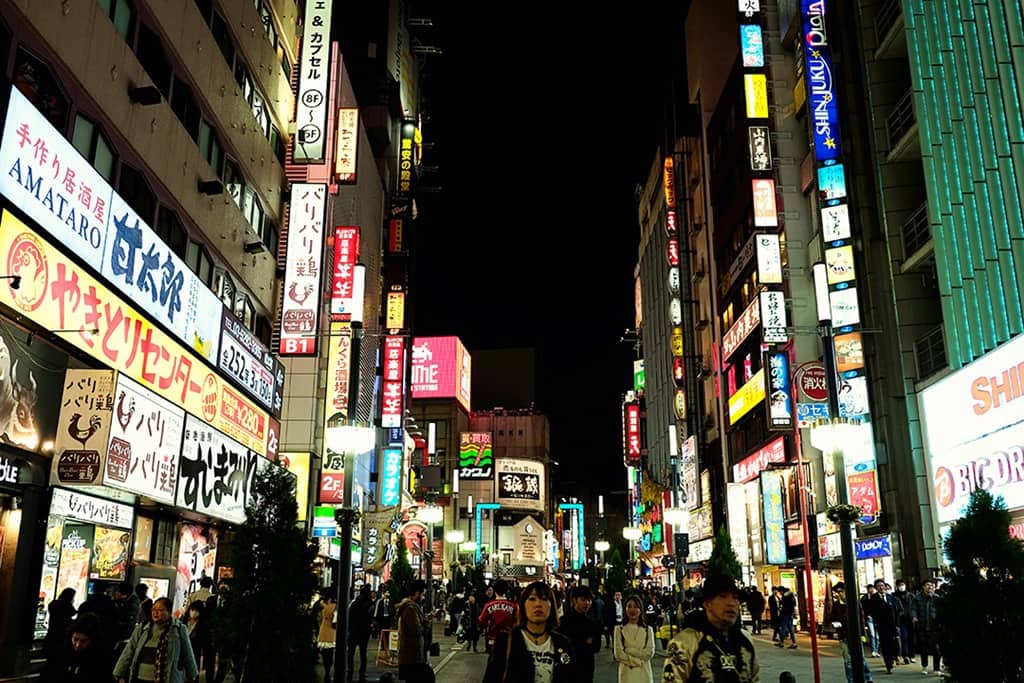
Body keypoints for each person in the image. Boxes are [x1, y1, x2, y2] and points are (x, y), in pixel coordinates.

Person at [662, 575, 759, 682]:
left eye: (735, 598)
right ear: (707, 604)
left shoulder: (745, 639)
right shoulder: (684, 643)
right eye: (723, 596)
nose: (731, 603)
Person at [482, 580, 576, 683]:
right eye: (532, 599)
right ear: (523, 605)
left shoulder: (563, 643)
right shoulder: (506, 642)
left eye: (544, 599)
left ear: (552, 606)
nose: (538, 604)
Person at [113, 596, 198, 683]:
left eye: (160, 610)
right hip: (140, 678)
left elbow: (188, 654)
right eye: (153, 609)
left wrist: (192, 675)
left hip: (167, 678)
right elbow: (129, 650)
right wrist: (119, 672)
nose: (155, 613)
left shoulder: (178, 629)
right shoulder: (142, 628)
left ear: (168, 612)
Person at [41, 612, 110, 682]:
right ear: (71, 636)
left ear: (92, 641)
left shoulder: (99, 661)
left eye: (83, 641)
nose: (78, 645)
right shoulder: (59, 654)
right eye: (75, 639)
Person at [829, 582, 873, 683]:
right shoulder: (836, 605)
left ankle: (868, 677)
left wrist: (862, 634)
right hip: (843, 636)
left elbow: (861, 618)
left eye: (842, 591)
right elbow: (832, 619)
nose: (840, 593)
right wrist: (837, 628)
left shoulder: (854, 602)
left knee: (860, 658)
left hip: (855, 635)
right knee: (848, 661)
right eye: (838, 592)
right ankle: (851, 680)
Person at [558, 585, 602, 681]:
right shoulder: (564, 622)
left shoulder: (593, 623)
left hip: (587, 669)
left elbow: (596, 646)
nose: (587, 603)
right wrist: (585, 643)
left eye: (589, 600)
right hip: (568, 670)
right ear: (574, 600)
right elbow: (561, 646)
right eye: (583, 600)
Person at [397, 579, 434, 683]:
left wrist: (426, 619)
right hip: (412, 656)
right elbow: (417, 630)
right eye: (423, 595)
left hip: (413, 655)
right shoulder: (410, 608)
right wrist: (426, 623)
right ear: (417, 593)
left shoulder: (413, 607)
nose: (423, 598)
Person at [613, 594, 654, 683]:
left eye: (635, 607)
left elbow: (649, 653)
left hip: (644, 674)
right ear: (625, 609)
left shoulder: (648, 630)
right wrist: (637, 662)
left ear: (640, 610)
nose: (632, 610)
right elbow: (618, 654)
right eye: (629, 606)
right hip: (626, 674)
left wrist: (629, 650)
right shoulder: (619, 629)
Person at [865, 579, 902, 674]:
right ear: (876, 588)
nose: (881, 587)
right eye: (878, 586)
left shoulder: (892, 598)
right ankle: (888, 665)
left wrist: (897, 624)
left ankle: (895, 656)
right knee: (885, 646)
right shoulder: (873, 599)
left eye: (882, 585)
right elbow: (870, 611)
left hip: (893, 625)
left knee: (895, 644)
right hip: (882, 626)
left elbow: (898, 611)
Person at [479, 579, 518, 654]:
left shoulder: (489, 605)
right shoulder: (513, 605)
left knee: (493, 662)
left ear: (494, 590)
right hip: (509, 639)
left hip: (493, 639)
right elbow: (518, 621)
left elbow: (481, 620)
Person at [911, 578, 941, 675]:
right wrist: (914, 616)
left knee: (936, 649)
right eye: (928, 585)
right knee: (924, 648)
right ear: (923, 587)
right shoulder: (917, 598)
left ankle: (937, 668)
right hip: (922, 627)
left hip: (934, 628)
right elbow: (913, 609)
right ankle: (924, 666)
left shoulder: (937, 598)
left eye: (932, 585)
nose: (930, 587)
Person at [348, 584, 373, 682]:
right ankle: (362, 673)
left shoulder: (355, 602)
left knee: (351, 652)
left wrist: (350, 629)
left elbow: (350, 616)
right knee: (363, 653)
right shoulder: (369, 603)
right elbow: (370, 617)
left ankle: (350, 671)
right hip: (364, 631)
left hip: (354, 630)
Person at [44, 587, 77, 659]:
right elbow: (73, 613)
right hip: (62, 637)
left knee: (51, 659)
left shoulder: (53, 603)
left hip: (51, 634)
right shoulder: (66, 605)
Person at [184, 600, 210, 678]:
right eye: (192, 610)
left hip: (194, 655)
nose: (194, 612)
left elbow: (204, 644)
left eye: (196, 611)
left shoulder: (202, 626)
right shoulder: (183, 622)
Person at [316, 592, 338, 682]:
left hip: (323, 630)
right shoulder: (335, 606)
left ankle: (326, 671)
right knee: (330, 653)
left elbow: (318, 619)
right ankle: (328, 671)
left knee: (325, 654)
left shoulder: (321, 606)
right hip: (332, 632)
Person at [892, 580, 914, 665]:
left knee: (911, 637)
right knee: (904, 637)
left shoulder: (910, 595)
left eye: (903, 584)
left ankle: (912, 655)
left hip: (911, 619)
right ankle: (906, 655)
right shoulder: (894, 596)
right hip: (901, 620)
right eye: (900, 585)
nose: (902, 586)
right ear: (897, 586)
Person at [861, 584, 880, 657]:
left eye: (872, 588)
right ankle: (874, 650)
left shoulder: (877, 597)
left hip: (877, 618)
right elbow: (863, 607)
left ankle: (877, 650)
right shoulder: (865, 597)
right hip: (869, 618)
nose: (870, 590)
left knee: (877, 636)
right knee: (872, 635)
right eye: (869, 589)